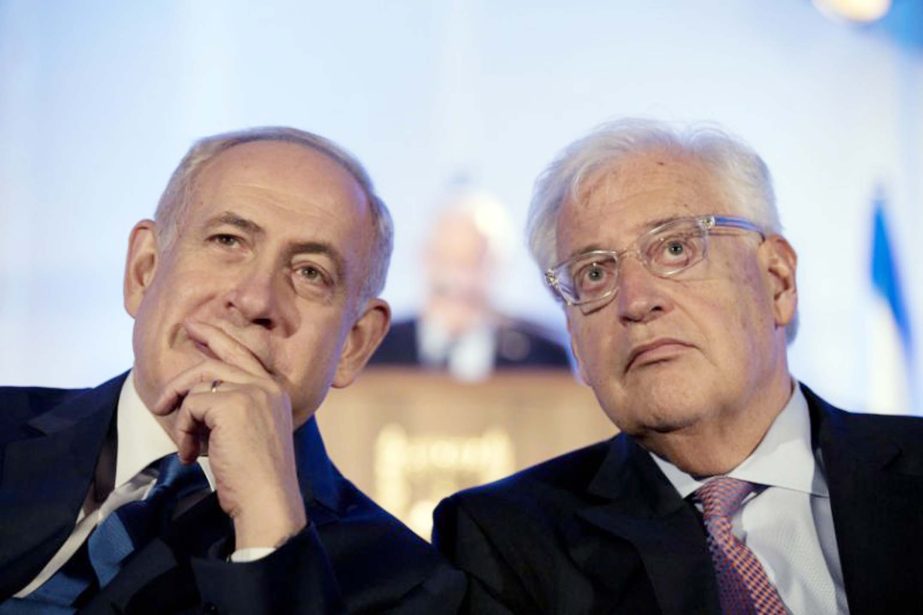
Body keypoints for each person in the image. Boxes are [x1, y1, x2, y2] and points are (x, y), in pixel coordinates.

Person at [433, 119, 923, 614]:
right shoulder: (507, 543)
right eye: (595, 273)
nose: (636, 301)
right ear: (576, 344)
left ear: (777, 282)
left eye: (675, 248)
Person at [0, 127, 464, 613]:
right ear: (144, 269)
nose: (253, 299)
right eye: (228, 240)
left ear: (354, 343)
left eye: (310, 273)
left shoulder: (404, 584)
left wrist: (267, 527)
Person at [369, 191, 570, 380]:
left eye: (474, 262)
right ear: (424, 259)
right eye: (446, 259)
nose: (459, 279)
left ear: (499, 267)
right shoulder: (374, 350)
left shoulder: (545, 358)